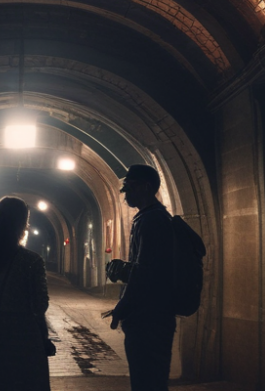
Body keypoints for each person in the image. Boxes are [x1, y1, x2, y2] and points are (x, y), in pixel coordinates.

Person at [104, 165, 175, 391]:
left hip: (149, 319)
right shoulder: (152, 218)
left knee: (147, 380)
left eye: (130, 188)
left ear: (145, 187)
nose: (126, 194)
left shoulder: (151, 221)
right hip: (155, 316)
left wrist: (122, 308)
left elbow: (145, 273)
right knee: (151, 379)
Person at [0, 197, 54, 391]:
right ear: (22, 223)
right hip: (26, 339)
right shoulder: (31, 261)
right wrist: (44, 338)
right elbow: (40, 305)